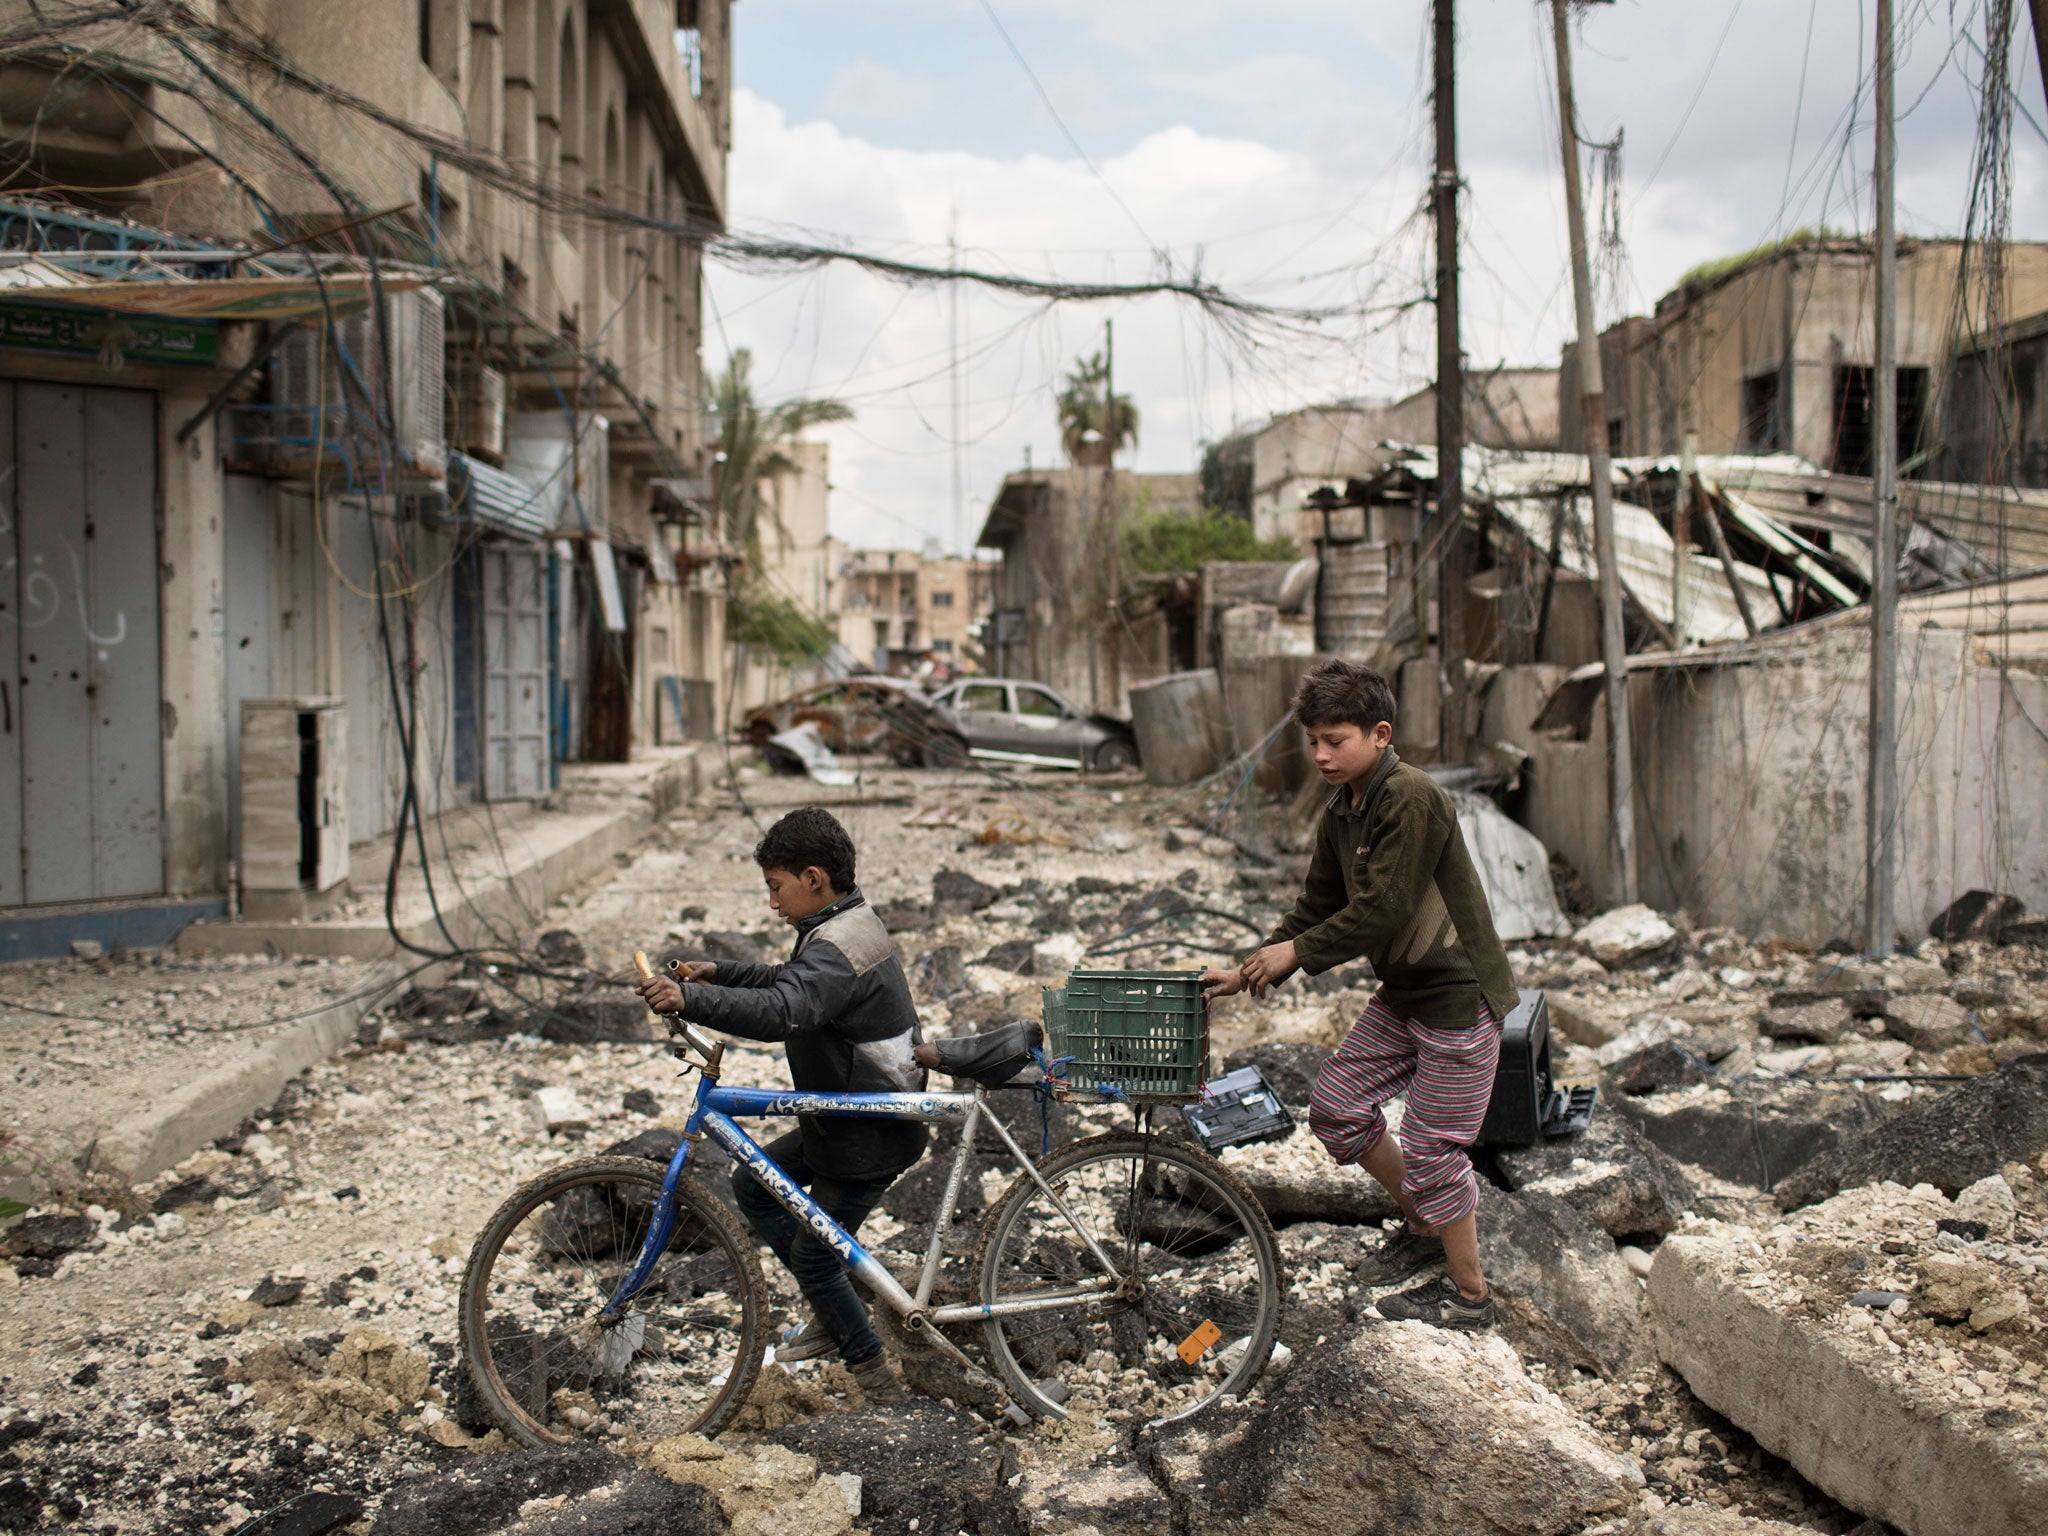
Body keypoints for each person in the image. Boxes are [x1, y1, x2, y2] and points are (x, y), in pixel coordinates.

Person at [1202, 659, 1517, 1330]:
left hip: (1458, 997)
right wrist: (1249, 969)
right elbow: (1317, 905)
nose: (1320, 754)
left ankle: (1471, 1298)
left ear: (1379, 734)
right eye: (1312, 740)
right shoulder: (1344, 809)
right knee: (1337, 1106)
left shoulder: (1411, 795)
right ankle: (1425, 1223)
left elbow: (1386, 908)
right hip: (1404, 995)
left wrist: (1299, 952)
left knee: (1433, 1148)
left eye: (1334, 740)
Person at [634, 806, 923, 1403]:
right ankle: (839, 1307)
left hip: (868, 1131)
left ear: (813, 878)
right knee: (750, 1189)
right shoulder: (844, 922)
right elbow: (791, 980)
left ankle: (878, 1380)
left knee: (815, 1261)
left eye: (776, 887)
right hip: (844, 1116)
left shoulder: (839, 945)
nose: (772, 903)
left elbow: (786, 1009)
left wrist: (689, 998)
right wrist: (721, 973)